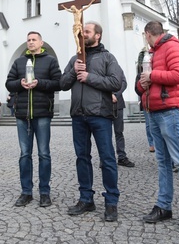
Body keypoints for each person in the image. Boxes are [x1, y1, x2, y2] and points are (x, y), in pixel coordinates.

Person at [137, 21, 179, 233]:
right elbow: (142, 82)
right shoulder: (151, 52)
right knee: (163, 163)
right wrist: (142, 83)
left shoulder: (172, 46)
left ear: (148, 33)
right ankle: (164, 207)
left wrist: (152, 76)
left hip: (170, 111)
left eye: (144, 35)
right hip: (153, 110)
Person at [60, 21, 123, 222]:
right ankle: (86, 198)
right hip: (78, 115)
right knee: (82, 158)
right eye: (81, 31)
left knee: (107, 159)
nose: (82, 34)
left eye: (86, 31)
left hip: (100, 115)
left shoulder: (107, 57)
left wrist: (89, 77)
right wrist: (73, 71)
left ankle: (111, 201)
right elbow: (62, 84)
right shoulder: (74, 59)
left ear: (97, 36)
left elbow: (117, 82)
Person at [5, 31, 61, 208]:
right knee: (24, 155)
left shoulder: (50, 60)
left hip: (42, 112)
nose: (30, 42)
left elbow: (58, 83)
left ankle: (44, 192)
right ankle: (26, 192)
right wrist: (19, 83)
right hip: (22, 114)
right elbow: (8, 83)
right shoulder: (19, 61)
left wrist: (40, 83)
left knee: (44, 154)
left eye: (33, 40)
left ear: (41, 42)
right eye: (28, 40)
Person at [112, 75, 135, 167]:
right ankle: (105, 158)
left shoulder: (117, 67)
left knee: (119, 132)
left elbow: (124, 83)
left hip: (118, 104)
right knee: (105, 134)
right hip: (104, 105)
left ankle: (121, 157)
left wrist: (115, 95)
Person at [135, 49, 154, 152]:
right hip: (145, 102)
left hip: (154, 101)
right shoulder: (139, 75)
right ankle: (151, 143)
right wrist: (142, 88)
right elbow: (137, 89)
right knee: (148, 124)